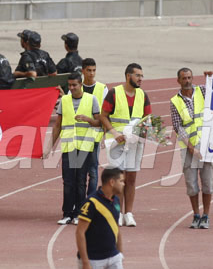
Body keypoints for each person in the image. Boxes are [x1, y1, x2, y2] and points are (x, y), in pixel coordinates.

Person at [45, 72, 101, 225]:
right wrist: (49, 147)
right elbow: (58, 125)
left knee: (81, 180)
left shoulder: (91, 99)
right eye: (69, 85)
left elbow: (99, 122)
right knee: (68, 180)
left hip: (84, 146)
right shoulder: (64, 101)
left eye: (74, 85)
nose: (71, 88)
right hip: (69, 146)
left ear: (81, 84)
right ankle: (67, 213)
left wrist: (87, 119)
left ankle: (79, 213)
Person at [100, 63, 152, 227]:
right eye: (137, 75)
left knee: (131, 178)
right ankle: (117, 213)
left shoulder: (143, 95)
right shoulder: (114, 93)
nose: (140, 79)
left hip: (134, 143)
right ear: (128, 76)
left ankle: (128, 213)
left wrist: (144, 131)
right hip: (116, 143)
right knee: (118, 178)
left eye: (142, 76)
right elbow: (103, 116)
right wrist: (114, 133)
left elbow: (148, 119)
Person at [170, 68, 213, 229]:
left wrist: (210, 78)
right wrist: (190, 148)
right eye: (184, 78)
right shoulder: (175, 101)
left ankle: (206, 216)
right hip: (188, 148)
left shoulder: (202, 91)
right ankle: (196, 215)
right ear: (178, 80)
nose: (187, 81)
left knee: (208, 183)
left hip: (206, 146)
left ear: (192, 78)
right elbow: (178, 126)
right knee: (191, 185)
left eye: (189, 77)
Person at [82, 57, 107, 195]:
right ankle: (80, 201)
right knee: (79, 171)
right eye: (89, 70)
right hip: (78, 136)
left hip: (95, 135)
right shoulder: (76, 87)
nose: (92, 73)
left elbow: (106, 112)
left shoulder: (102, 88)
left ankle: (91, 199)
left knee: (92, 170)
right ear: (83, 71)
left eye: (94, 70)